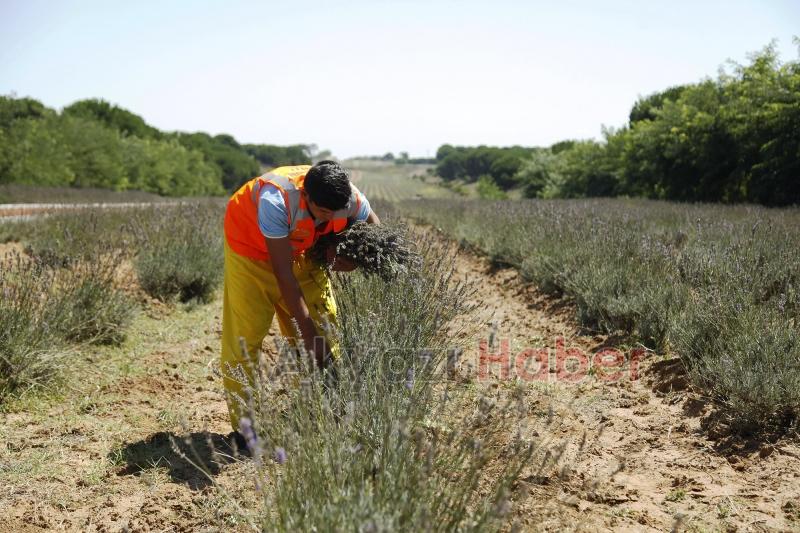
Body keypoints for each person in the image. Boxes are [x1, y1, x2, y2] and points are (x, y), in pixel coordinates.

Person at [221, 160, 379, 435]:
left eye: (337, 212)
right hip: (250, 252)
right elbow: (284, 275)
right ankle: (245, 430)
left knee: (325, 327)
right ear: (306, 197)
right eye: (324, 212)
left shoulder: (348, 198)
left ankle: (316, 408)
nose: (331, 219)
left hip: (300, 249)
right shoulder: (276, 200)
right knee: (245, 339)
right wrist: (307, 335)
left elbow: (375, 232)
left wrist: (354, 259)